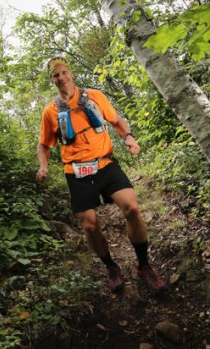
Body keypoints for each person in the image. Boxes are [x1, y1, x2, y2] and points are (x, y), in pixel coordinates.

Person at [36, 56, 168, 295]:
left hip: (105, 163)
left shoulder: (94, 96)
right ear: (52, 80)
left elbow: (116, 121)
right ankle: (111, 267)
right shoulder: (50, 111)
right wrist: (43, 166)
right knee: (89, 225)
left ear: (70, 73)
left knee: (132, 209)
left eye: (63, 72)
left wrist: (129, 137)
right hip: (76, 172)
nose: (61, 78)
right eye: (55, 75)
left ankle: (144, 265)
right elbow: (43, 145)